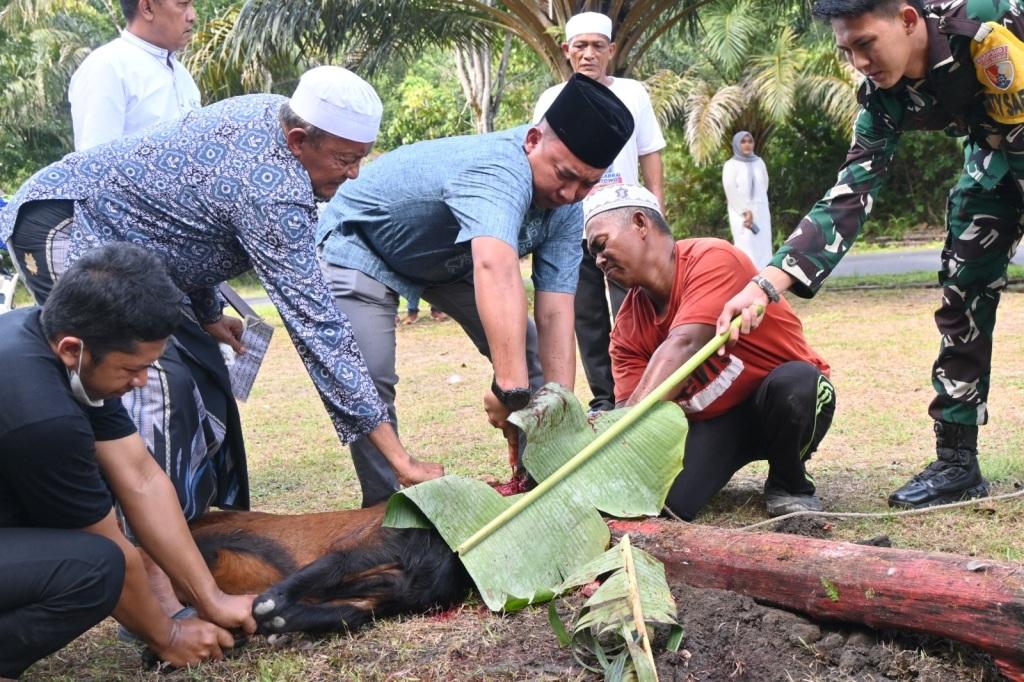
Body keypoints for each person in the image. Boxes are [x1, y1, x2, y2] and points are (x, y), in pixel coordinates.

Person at [0, 66, 443, 519]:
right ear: (297, 140)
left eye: (360, 158)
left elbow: (189, 225)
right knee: (153, 384)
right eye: (345, 159)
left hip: (137, 247)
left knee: (206, 376)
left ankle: (198, 521)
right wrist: (399, 458)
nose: (353, 174)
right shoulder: (274, 191)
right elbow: (318, 328)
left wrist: (209, 312)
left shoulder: (271, 111)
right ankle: (132, 538)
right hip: (65, 220)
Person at [717, 0, 1024, 509]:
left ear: (907, 20)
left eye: (866, 44)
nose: (860, 62)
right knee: (961, 292)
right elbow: (848, 193)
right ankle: (957, 463)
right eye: (847, 50)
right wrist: (765, 284)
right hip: (993, 159)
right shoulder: (883, 100)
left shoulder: (985, 17)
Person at [316, 73, 635, 502]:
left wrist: (559, 409)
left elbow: (557, 309)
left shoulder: (566, 206)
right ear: (533, 139)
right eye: (564, 175)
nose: (570, 193)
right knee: (369, 372)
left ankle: (540, 483)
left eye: (586, 184)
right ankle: (382, 506)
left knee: (534, 362)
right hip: (364, 244)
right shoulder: (499, 168)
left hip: (445, 262)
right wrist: (509, 389)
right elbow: (494, 264)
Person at [0, 244, 256, 679]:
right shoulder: (44, 415)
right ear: (71, 349)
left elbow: (141, 478)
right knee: (96, 567)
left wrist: (210, 597)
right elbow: (110, 544)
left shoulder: (53, 341)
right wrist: (168, 636)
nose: (140, 383)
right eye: (131, 370)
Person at [583, 184, 836, 519]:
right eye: (593, 253)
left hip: (780, 402)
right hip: (716, 422)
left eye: (602, 244)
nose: (599, 260)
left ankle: (790, 481)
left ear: (641, 224)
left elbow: (685, 344)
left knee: (798, 384)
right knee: (672, 506)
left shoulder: (713, 258)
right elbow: (634, 416)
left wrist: (622, 425)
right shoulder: (627, 328)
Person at [532, 11, 666, 412]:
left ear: (612, 49)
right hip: (571, 224)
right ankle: (605, 398)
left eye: (596, 46)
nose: (588, 54)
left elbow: (650, 153)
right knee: (587, 316)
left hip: (626, 221)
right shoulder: (550, 100)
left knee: (633, 308)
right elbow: (538, 160)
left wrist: (657, 208)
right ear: (566, 51)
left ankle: (642, 390)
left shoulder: (632, 93)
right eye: (580, 46)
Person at [69, 0, 201, 151]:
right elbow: (95, 163)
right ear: (147, 8)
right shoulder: (107, 67)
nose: (192, 16)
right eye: (183, 5)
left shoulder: (182, 74)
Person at [722, 131, 772, 270]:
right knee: (746, 244)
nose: (747, 145)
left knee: (763, 244)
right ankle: (748, 277)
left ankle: (764, 277)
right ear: (737, 144)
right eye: (743, 142)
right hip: (740, 212)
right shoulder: (731, 165)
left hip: (761, 210)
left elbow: (764, 185)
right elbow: (730, 189)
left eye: (750, 141)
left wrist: (758, 205)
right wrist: (745, 211)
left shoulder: (759, 162)